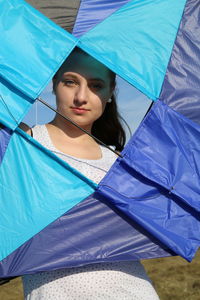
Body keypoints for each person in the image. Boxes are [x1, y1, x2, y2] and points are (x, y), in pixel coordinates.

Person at [21, 48, 159, 299]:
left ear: (109, 94)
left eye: (96, 86)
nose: (81, 97)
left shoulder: (118, 161)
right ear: (54, 85)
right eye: (70, 82)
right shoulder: (25, 142)